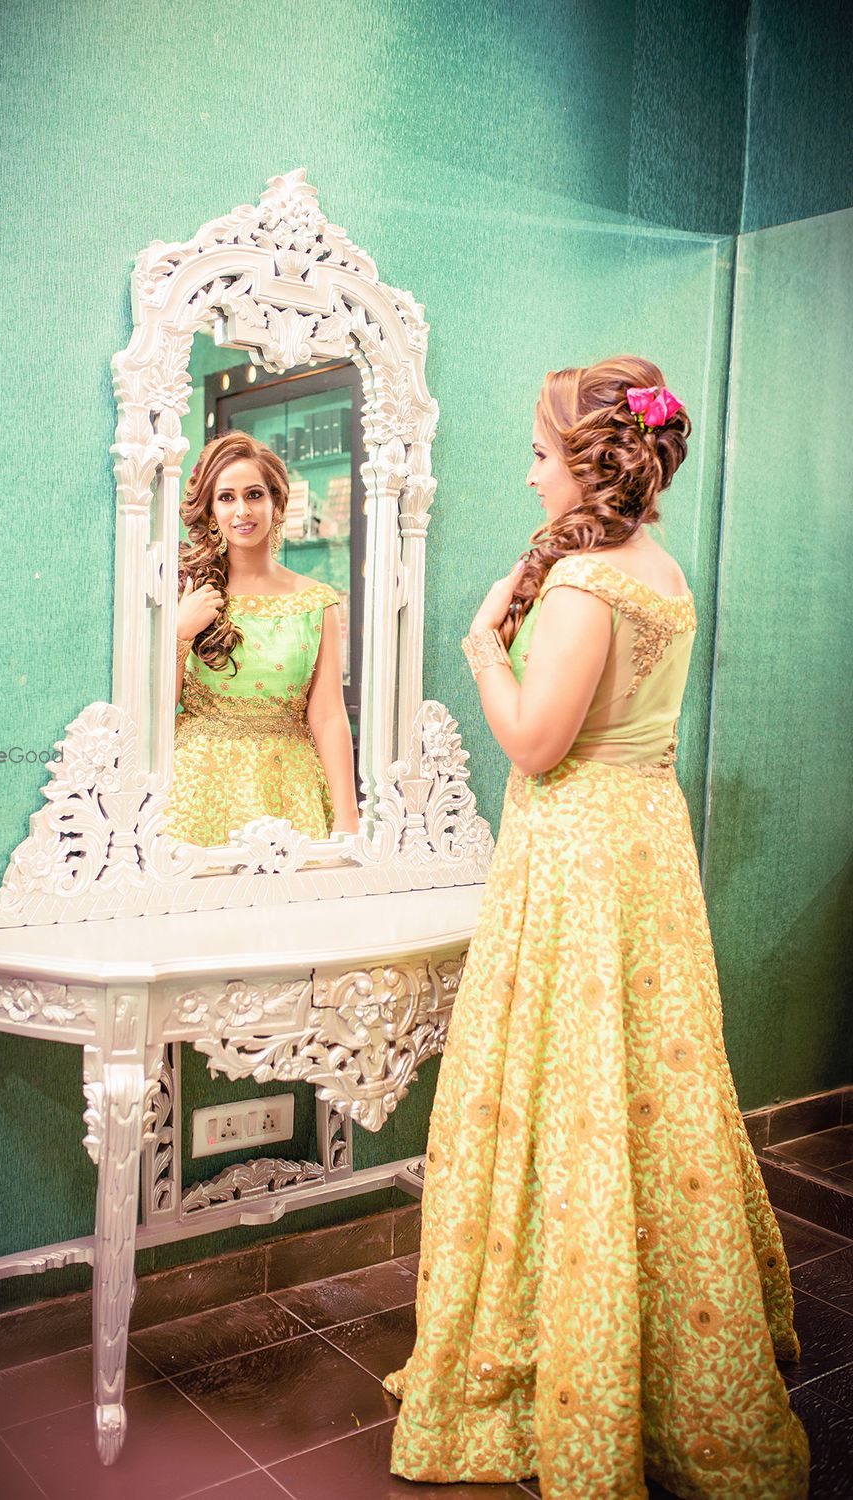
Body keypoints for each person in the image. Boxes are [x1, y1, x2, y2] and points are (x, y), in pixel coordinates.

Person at [382, 357, 809, 1499]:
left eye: (534, 454)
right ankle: (669, 1336)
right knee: (642, 1089)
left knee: (571, 1092)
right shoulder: (656, 568)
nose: (526, 479)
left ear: (587, 460)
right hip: (642, 845)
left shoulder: (585, 588)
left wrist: (479, 643)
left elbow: (532, 744)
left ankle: (577, 1369)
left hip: (579, 855)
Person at [166, 431, 359, 847]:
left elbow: (327, 717)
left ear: (276, 502)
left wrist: (348, 821)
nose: (242, 511)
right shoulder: (187, 595)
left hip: (289, 787)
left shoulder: (316, 602)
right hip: (199, 787)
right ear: (211, 509)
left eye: (254, 495)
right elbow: (153, 715)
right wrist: (181, 632)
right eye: (226, 497)